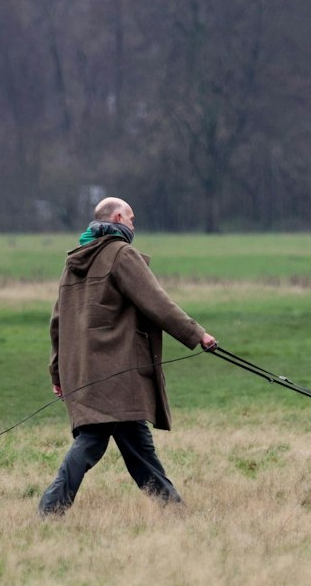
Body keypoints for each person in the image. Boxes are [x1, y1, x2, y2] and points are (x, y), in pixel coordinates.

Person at [41, 197, 216, 516]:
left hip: (84, 372)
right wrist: (197, 334)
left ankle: (176, 511)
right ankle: (50, 508)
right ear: (118, 217)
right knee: (93, 440)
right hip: (116, 373)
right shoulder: (121, 254)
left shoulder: (74, 261)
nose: (134, 224)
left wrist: (57, 374)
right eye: (132, 219)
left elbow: (57, 322)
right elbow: (157, 302)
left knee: (138, 447)